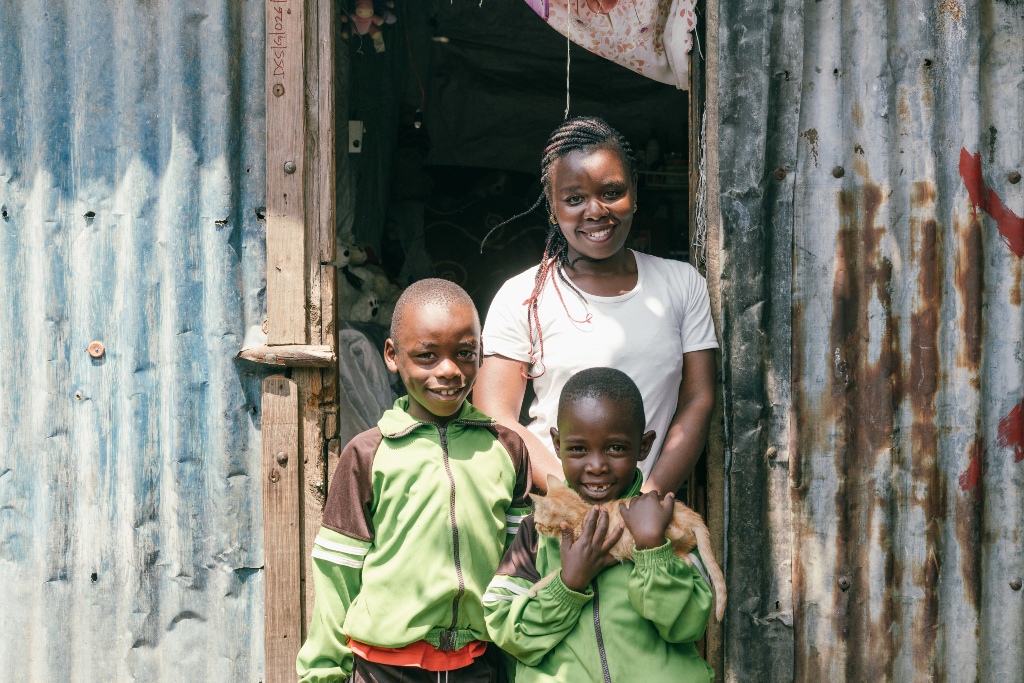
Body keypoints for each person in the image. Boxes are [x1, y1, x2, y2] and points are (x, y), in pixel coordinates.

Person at [297, 278, 532, 683]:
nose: (449, 371)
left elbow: (520, 568)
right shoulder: (367, 455)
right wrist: (322, 673)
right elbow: (337, 573)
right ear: (392, 355)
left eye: (465, 354)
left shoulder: (506, 449)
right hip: (383, 668)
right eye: (426, 356)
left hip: (476, 665)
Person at [474, 116, 718, 495]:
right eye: (574, 199)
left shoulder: (682, 285)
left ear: (634, 192)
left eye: (611, 192)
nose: (595, 211)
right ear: (553, 206)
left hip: (647, 515)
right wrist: (567, 498)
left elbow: (698, 400)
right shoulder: (522, 296)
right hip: (552, 511)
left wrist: (646, 499)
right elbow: (495, 413)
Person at [482, 367, 715, 682]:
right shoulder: (537, 531)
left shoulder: (662, 523)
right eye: (578, 449)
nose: (596, 466)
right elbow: (507, 631)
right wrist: (568, 585)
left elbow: (687, 626)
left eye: (616, 448)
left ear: (644, 446)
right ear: (557, 443)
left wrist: (653, 551)